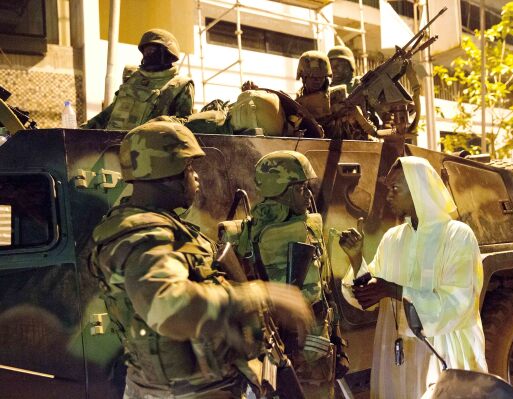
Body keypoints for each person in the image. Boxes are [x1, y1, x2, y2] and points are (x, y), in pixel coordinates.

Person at [90, 120, 313, 398]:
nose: (195, 177)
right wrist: (260, 295)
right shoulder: (142, 232)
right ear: (171, 173)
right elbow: (167, 306)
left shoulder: (158, 225)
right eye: (190, 169)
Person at [339, 156, 487, 399]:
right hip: (398, 355)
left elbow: (459, 303)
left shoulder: (457, 236)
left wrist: (394, 290)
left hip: (442, 352)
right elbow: (368, 297)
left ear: (419, 190)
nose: (388, 196)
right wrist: (356, 259)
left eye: (395, 189)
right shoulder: (393, 238)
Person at [220, 150, 348, 398]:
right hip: (287, 351)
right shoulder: (246, 235)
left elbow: (324, 286)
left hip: (303, 349)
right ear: (283, 190)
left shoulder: (308, 226)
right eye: (301, 188)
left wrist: (339, 342)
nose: (309, 195)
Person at [83, 29, 194, 130]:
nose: (147, 54)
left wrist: (161, 122)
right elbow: (111, 112)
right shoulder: (131, 76)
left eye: (152, 50)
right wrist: (83, 129)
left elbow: (185, 123)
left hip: (148, 148)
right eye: (145, 50)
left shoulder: (181, 84)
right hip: (111, 143)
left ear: (167, 52)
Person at [295, 50, 375, 140]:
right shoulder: (298, 103)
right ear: (303, 77)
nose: (316, 80)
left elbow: (363, 133)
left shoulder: (338, 98)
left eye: (321, 77)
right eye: (311, 76)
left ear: (326, 77)